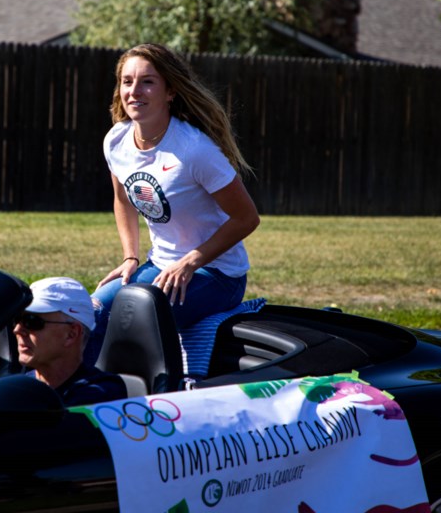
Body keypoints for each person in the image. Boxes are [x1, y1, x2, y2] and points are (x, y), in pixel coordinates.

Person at [86, 42, 260, 364]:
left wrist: (191, 261)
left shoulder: (195, 151)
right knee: (89, 312)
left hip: (217, 275)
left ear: (170, 92)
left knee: (135, 320)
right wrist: (130, 257)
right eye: (127, 81)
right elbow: (122, 198)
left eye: (147, 81)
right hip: (159, 266)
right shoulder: (117, 141)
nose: (134, 90)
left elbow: (247, 218)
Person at [15, 276, 127, 406]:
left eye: (32, 322)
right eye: (17, 319)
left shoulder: (99, 395)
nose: (17, 330)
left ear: (71, 334)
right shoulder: (16, 387)